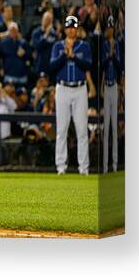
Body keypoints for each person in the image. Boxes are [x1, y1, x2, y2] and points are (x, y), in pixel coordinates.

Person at [50, 15, 92, 175]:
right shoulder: (58, 46)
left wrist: (73, 56)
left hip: (80, 88)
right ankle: (60, 167)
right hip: (62, 88)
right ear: (65, 29)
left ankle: (84, 168)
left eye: (73, 27)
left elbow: (88, 65)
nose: (71, 30)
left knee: (82, 130)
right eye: (68, 27)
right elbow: (52, 68)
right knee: (61, 129)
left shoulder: (84, 46)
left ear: (77, 28)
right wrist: (64, 55)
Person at [101, 16, 121, 173]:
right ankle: (105, 166)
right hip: (106, 86)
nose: (110, 30)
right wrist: (109, 55)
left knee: (114, 128)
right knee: (106, 128)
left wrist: (113, 54)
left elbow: (120, 66)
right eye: (108, 28)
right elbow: (101, 66)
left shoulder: (118, 45)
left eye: (111, 28)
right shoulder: (103, 45)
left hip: (114, 86)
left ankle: (114, 165)